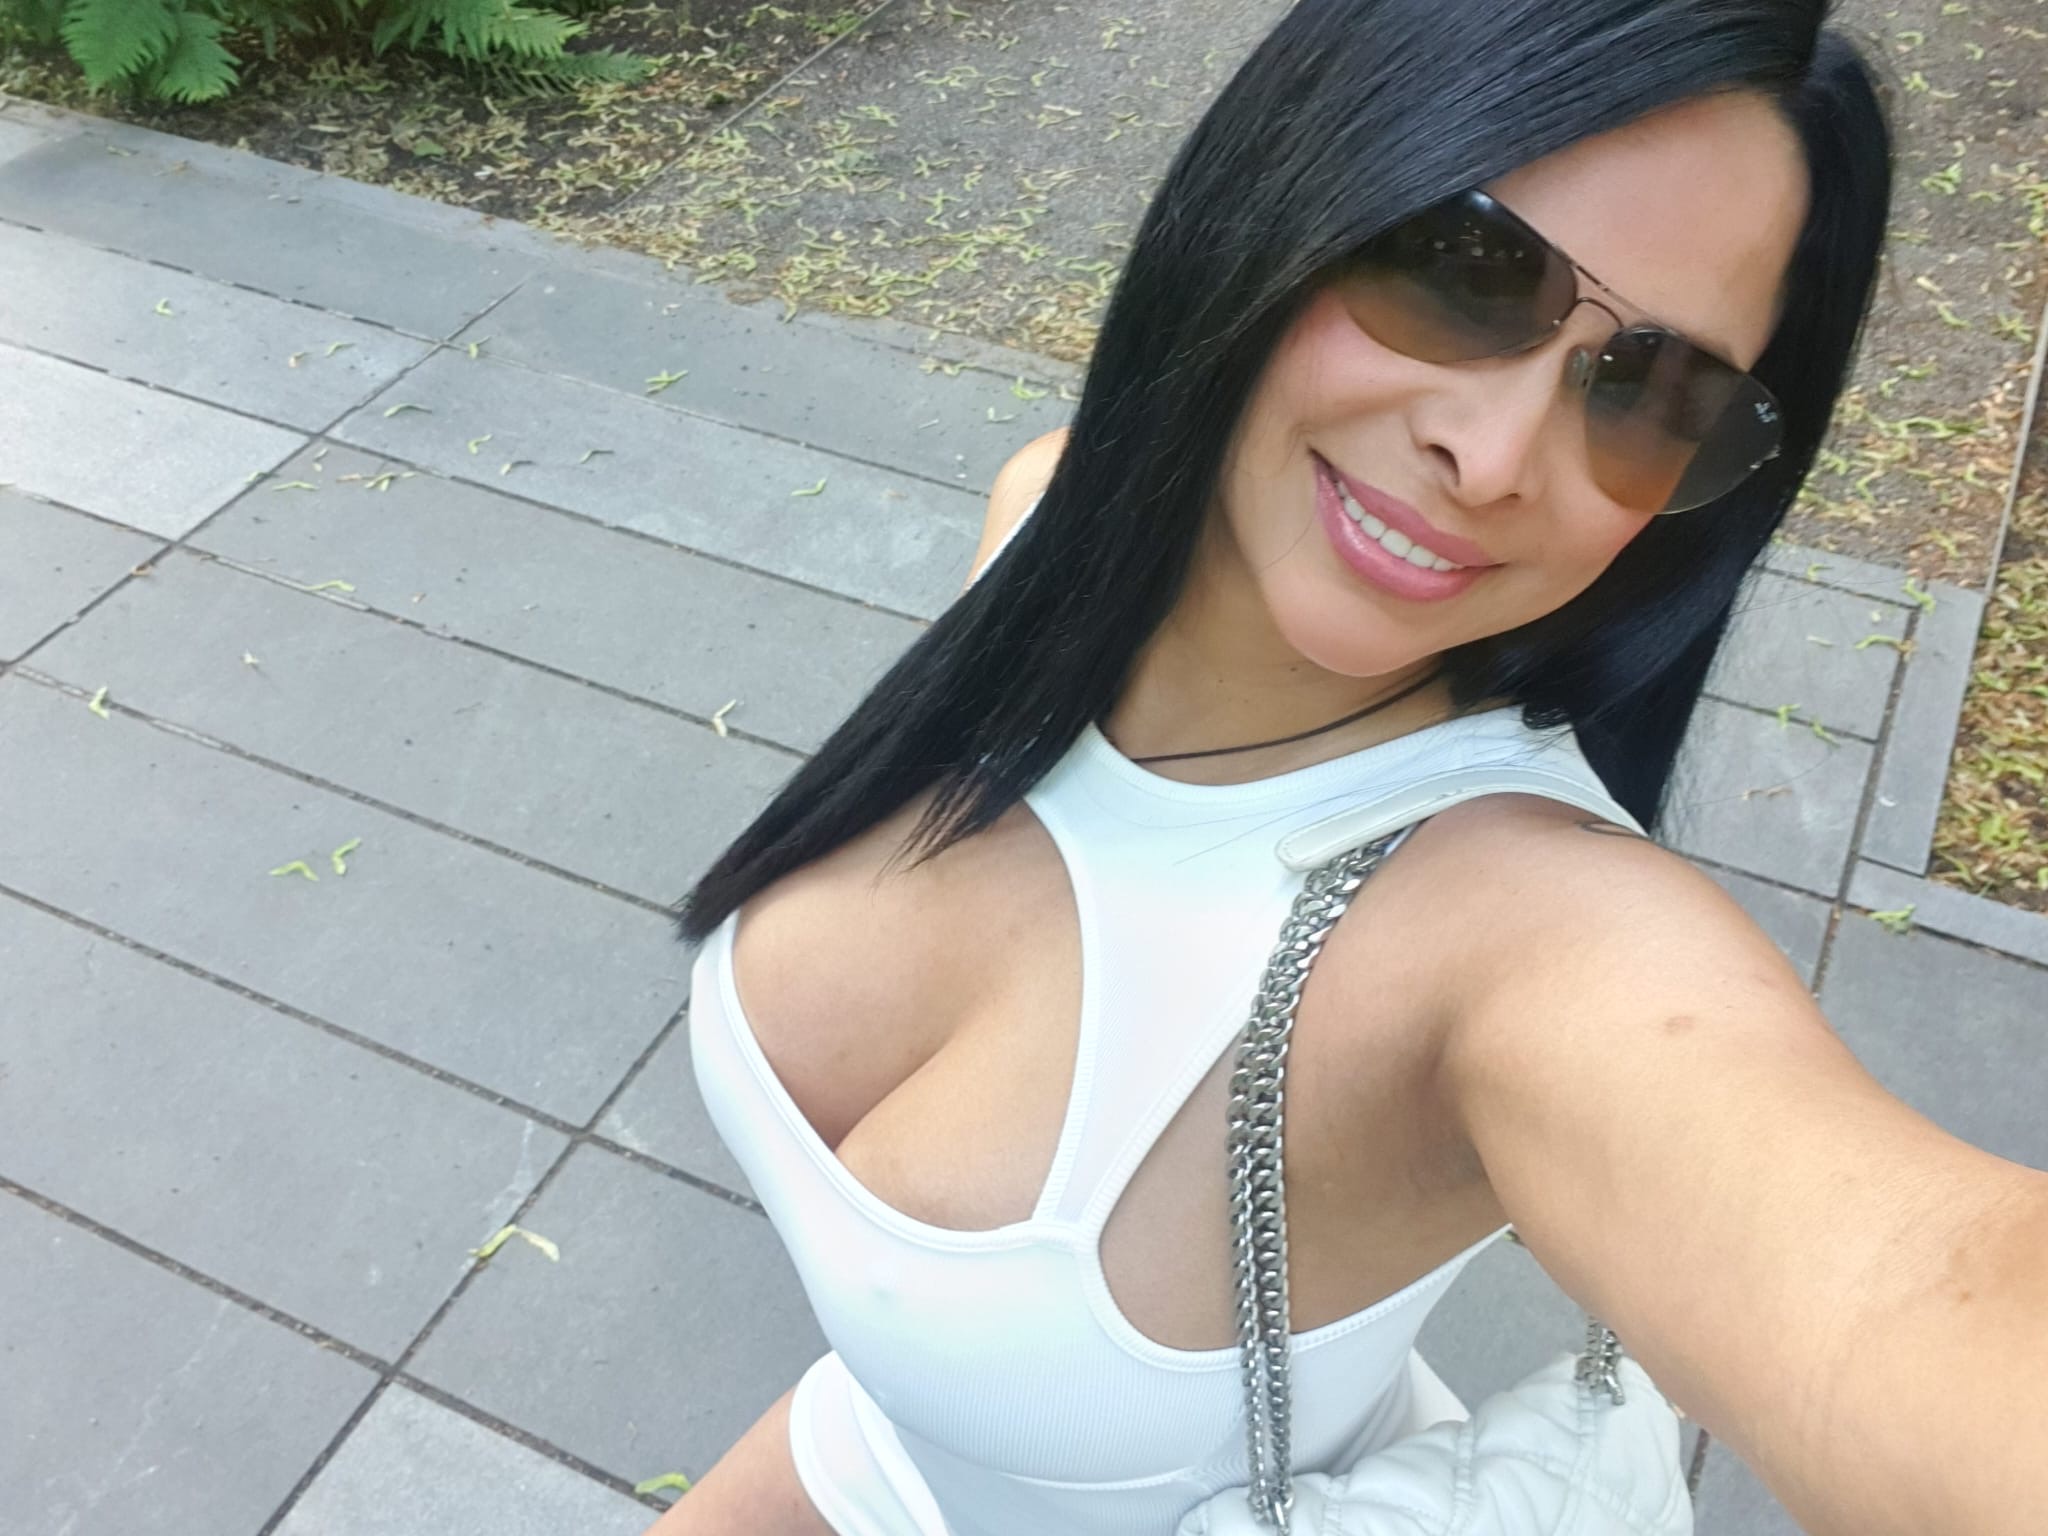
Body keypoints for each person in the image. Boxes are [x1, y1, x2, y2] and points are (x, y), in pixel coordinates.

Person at [645, 2, 2048, 1533]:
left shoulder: (1527, 945)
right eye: (1469, 266)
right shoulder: (1042, 523)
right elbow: (891, 1410)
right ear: (1294, 186)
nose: (1493, 457)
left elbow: (1899, 1296)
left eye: (1653, 395)